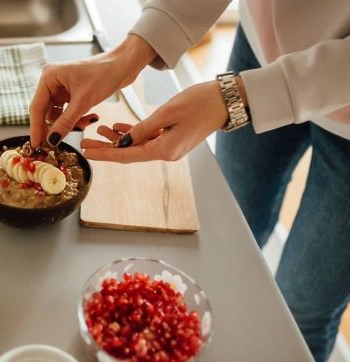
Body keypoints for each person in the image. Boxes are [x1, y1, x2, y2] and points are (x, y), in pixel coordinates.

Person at [28, 1, 350, 361]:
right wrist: (131, 50)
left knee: (302, 308)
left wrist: (237, 97)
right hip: (263, 45)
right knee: (232, 230)